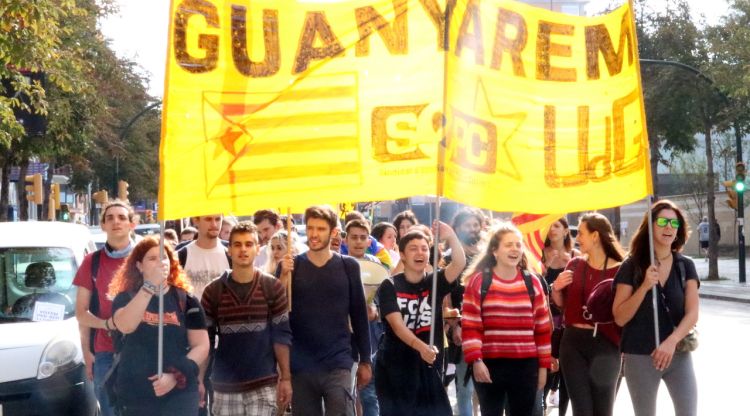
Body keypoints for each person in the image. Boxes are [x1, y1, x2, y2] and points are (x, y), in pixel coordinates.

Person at [279, 205, 371, 416]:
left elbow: (359, 315)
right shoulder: (291, 267)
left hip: (338, 360)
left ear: (333, 232)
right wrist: (283, 276)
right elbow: (277, 312)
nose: (314, 234)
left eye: (320, 229)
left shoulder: (349, 266)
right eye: (310, 227)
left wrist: (366, 359)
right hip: (301, 364)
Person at [613, 200, 699, 416]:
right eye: (662, 221)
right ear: (650, 226)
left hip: (677, 353)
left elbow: (693, 313)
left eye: (674, 223)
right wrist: (643, 287)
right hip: (640, 356)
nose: (668, 227)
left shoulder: (685, 265)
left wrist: (670, 343)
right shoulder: (631, 266)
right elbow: (620, 317)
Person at [108, 237, 210, 415]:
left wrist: (175, 375)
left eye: (164, 258)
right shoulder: (125, 298)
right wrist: (149, 286)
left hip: (179, 391)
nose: (159, 262)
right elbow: (125, 326)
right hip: (136, 392)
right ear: (139, 265)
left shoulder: (186, 300)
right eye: (152, 258)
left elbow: (201, 345)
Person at [201, 222, 292, 416]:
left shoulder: (272, 287)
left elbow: (281, 337)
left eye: (249, 244)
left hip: (263, 382)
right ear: (229, 250)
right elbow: (205, 342)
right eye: (238, 244)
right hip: (224, 385)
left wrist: (285, 378)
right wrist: (199, 380)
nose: (243, 249)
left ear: (257, 249)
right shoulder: (213, 292)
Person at [374, 222, 466, 416]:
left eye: (424, 249)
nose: (420, 253)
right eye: (413, 249)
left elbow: (459, 264)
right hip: (395, 366)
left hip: (428, 365)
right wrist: (421, 347)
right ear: (403, 255)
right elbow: (397, 326)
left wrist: (450, 235)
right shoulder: (389, 285)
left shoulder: (435, 282)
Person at [461, 223, 552, 416]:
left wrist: (543, 367)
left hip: (526, 367)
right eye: (509, 245)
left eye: (518, 245)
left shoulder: (532, 282)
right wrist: (476, 360)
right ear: (495, 251)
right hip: (489, 365)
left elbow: (542, 329)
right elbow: (470, 326)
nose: (515, 249)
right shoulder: (479, 282)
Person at [551, 213, 624, 416]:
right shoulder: (574, 265)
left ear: (595, 236)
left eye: (581, 233)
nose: (577, 239)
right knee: (581, 410)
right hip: (573, 343)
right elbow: (562, 305)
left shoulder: (622, 270)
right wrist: (556, 289)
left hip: (606, 344)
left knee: (603, 410)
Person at [74, 200, 136, 416]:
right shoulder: (92, 262)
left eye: (121, 217)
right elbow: (81, 313)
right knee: (110, 411)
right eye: (109, 218)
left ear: (132, 224)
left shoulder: (145, 258)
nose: (115, 222)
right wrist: (87, 349)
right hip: (105, 353)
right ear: (103, 226)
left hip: (143, 350)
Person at [443, 207, 486, 416]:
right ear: (457, 228)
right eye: (467, 225)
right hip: (461, 327)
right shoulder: (450, 257)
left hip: (488, 328)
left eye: (475, 224)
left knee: (486, 386)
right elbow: (446, 294)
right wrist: (454, 325)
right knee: (464, 387)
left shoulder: (489, 256)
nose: (472, 229)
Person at [541, 218, 580, 415]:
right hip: (545, 321)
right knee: (547, 371)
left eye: (556, 225)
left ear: (566, 231)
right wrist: (546, 265)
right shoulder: (538, 255)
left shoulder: (576, 256)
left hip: (567, 321)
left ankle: (562, 410)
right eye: (549, 225)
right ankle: (542, 406)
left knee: (566, 374)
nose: (552, 229)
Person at [178, 215, 231, 300]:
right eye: (208, 219)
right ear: (195, 220)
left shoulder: (231, 254)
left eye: (217, 219)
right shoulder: (180, 256)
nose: (214, 224)